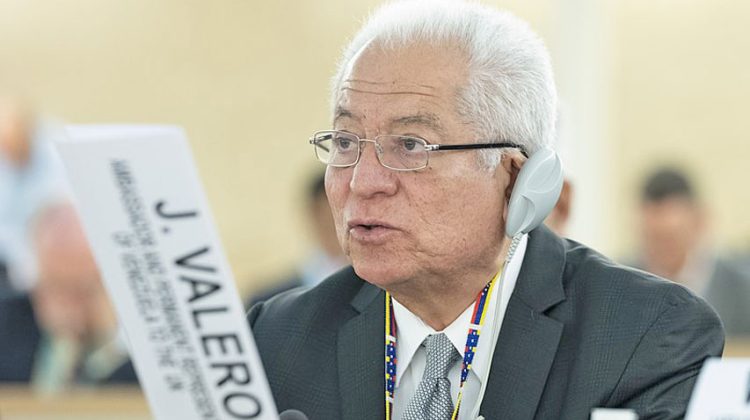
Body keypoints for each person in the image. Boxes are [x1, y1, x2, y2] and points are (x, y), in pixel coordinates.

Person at [248, 2, 723, 419]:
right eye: (347, 141)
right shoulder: (276, 340)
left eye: (411, 145)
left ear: (518, 178)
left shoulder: (646, 336)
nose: (362, 182)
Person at [0, 202, 137, 391]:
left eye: (82, 289)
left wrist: (98, 337)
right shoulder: (8, 321)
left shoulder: (141, 351)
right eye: (56, 286)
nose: (68, 304)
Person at [632, 167, 750, 336]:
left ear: (700, 222)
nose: (664, 250)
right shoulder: (625, 285)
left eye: (672, 237)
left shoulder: (741, 290)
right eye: (655, 238)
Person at [246, 171, 346, 307]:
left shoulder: (379, 294)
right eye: (328, 221)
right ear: (313, 213)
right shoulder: (266, 303)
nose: (335, 229)